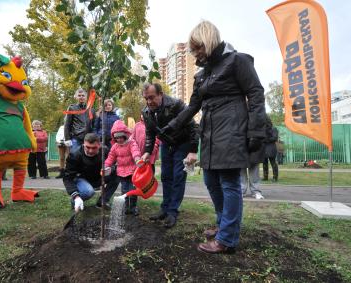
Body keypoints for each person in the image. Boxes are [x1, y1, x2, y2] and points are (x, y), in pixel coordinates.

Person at [162, 21, 266, 253]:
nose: (195, 53)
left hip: (232, 130)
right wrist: (172, 125)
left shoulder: (238, 61)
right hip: (209, 133)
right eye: (193, 49)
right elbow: (193, 106)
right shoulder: (203, 73)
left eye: (198, 47)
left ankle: (228, 239)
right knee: (210, 181)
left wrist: (256, 131)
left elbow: (256, 94)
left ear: (208, 41)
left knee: (229, 183)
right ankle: (223, 225)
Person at [140, 83, 200, 228]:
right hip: (166, 144)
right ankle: (165, 208)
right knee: (166, 176)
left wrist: (193, 150)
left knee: (178, 176)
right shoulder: (146, 112)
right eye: (146, 98)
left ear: (160, 94)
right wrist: (147, 151)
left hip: (183, 143)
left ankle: (173, 212)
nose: (149, 102)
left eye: (152, 97)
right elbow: (150, 133)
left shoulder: (176, 105)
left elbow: (193, 127)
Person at [104, 120, 142, 215]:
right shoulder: (115, 147)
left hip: (133, 171)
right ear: (114, 138)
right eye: (117, 138)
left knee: (133, 191)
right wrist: (106, 166)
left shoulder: (131, 143)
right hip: (121, 172)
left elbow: (135, 151)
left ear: (125, 135)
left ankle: (133, 207)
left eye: (121, 137)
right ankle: (125, 208)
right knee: (124, 191)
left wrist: (137, 159)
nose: (119, 139)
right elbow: (110, 157)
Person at [63, 133, 108, 213]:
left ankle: (102, 201)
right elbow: (68, 178)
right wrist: (76, 196)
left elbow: (115, 164)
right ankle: (76, 203)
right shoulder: (74, 155)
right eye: (88, 147)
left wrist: (110, 169)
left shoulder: (105, 151)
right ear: (83, 144)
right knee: (88, 191)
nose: (90, 151)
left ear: (99, 145)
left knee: (117, 175)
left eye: (94, 148)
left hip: (98, 177)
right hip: (82, 178)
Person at [64, 88, 96, 154]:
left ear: (86, 97)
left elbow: (94, 124)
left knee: (87, 157)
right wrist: (67, 138)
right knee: (75, 157)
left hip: (89, 138)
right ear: (76, 97)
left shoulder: (91, 109)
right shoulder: (72, 108)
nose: (81, 97)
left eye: (83, 95)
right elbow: (67, 124)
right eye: (79, 95)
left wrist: (95, 136)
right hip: (76, 137)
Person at [263, 117, 279, 182]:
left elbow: (275, 138)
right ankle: (265, 177)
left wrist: (266, 140)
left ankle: (275, 177)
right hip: (265, 148)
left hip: (271, 148)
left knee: (273, 163)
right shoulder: (263, 130)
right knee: (265, 163)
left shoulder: (274, 129)